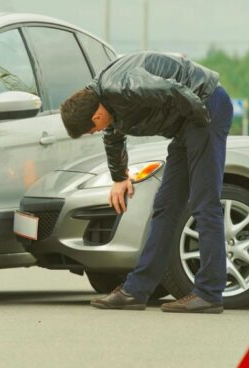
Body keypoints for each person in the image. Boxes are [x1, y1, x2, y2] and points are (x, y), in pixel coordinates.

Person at [60, 52, 233, 314]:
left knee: (204, 202)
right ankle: (136, 291)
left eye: (92, 129)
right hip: (188, 122)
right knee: (165, 205)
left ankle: (209, 293)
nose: (97, 132)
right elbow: (113, 135)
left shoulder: (123, 87)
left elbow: (172, 90)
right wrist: (119, 178)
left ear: (95, 116)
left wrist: (202, 123)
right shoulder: (104, 100)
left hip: (205, 107)